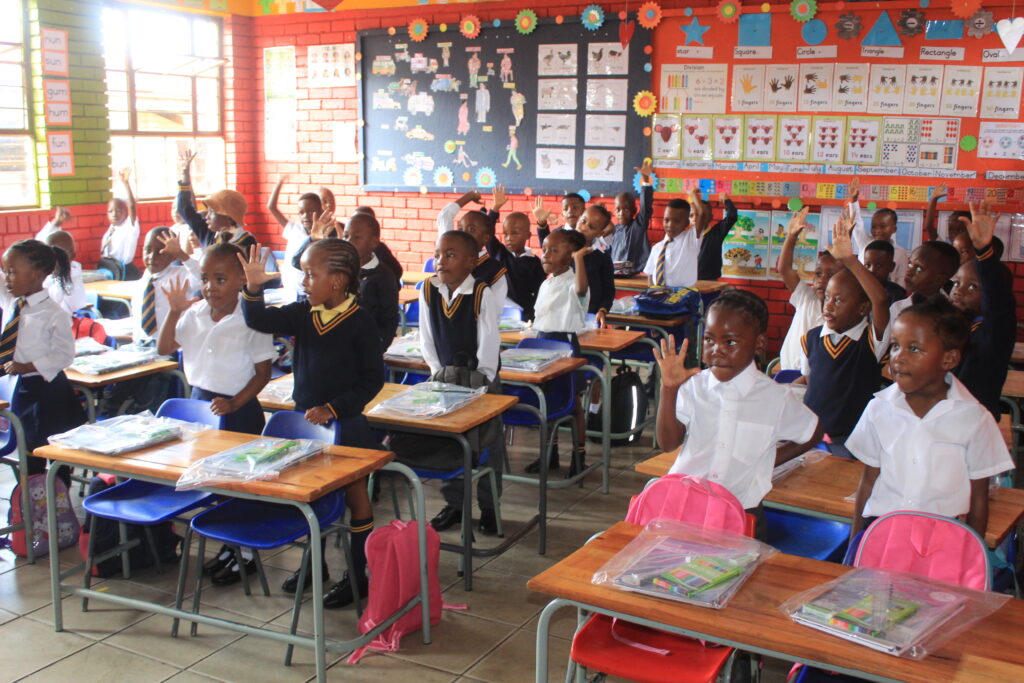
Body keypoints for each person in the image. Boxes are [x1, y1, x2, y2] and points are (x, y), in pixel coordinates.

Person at [239, 238, 384, 609]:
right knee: (309, 494)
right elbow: (258, 318)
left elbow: (372, 380)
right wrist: (253, 288)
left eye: (309, 274)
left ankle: (357, 574)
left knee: (357, 501)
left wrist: (335, 408)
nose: (304, 282)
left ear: (336, 281)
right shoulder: (305, 313)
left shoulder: (360, 322)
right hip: (305, 425)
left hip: (345, 424)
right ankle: (313, 565)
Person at [654, 290, 822, 537]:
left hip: (743, 511)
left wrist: (766, 462)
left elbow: (813, 432)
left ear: (759, 343)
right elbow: (667, 443)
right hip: (686, 507)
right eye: (710, 340)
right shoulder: (694, 387)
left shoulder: (776, 397)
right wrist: (668, 390)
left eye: (730, 342)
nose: (717, 350)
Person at [157, 242, 276, 586]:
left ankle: (247, 553)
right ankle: (230, 546)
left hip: (239, 411)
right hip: (200, 408)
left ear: (242, 279)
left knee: (239, 484)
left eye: (221, 279)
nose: (211, 287)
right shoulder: (193, 314)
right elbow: (165, 348)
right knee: (213, 484)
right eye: (206, 279)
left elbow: (263, 373)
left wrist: (235, 403)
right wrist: (175, 311)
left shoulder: (252, 318)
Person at [848, 297, 1013, 539]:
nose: (898, 358)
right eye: (895, 345)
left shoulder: (974, 418)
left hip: (943, 539)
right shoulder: (879, 409)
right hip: (883, 535)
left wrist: (972, 555)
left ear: (949, 359)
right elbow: (868, 483)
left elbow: (979, 499)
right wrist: (854, 545)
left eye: (914, 348)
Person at [411, 230, 502, 535]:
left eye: (450, 255)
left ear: (470, 262)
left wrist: (482, 384)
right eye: (438, 254)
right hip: (445, 380)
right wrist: (439, 375)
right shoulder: (428, 289)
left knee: (488, 444)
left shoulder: (480, 293)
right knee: (450, 443)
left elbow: (488, 342)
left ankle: (490, 508)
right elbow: (427, 339)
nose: (441, 261)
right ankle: (455, 504)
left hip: (481, 382)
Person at [799, 209, 891, 457]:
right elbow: (809, 382)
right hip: (810, 436)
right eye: (828, 297)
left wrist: (850, 260)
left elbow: (880, 300)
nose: (828, 304)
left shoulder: (870, 341)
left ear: (863, 308)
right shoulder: (812, 338)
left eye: (839, 300)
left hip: (851, 441)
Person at [0, 240, 86, 483]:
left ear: (37, 275)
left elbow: (64, 354)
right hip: (22, 390)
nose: (7, 277)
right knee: (29, 458)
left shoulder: (52, 313)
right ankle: (33, 507)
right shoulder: (12, 302)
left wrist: (28, 366)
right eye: (5, 271)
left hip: (47, 391)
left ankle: (61, 511)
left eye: (13, 271)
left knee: (57, 458)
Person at [101, 227, 201, 416]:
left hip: (168, 350)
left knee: (152, 386)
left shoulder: (180, 275)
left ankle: (145, 412)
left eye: (160, 251)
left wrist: (182, 254)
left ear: (172, 256)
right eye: (148, 250)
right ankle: (114, 411)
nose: (152, 256)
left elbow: (201, 278)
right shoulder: (143, 281)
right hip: (140, 348)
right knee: (116, 383)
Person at [527, 228, 591, 476]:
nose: (546, 255)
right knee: (546, 402)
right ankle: (549, 454)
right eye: (544, 250)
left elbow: (582, 289)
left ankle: (579, 457)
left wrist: (579, 259)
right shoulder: (547, 283)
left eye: (554, 250)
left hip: (564, 346)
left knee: (573, 405)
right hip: (542, 343)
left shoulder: (574, 282)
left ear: (571, 255)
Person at [951, 200, 1016, 421]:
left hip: (976, 424)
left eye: (972, 287)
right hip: (946, 420)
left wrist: (984, 253)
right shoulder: (955, 324)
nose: (959, 291)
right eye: (957, 283)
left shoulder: (993, 331)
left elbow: (997, 304)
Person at [777, 208, 838, 371]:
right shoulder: (806, 297)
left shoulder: (842, 312)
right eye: (818, 274)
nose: (822, 280)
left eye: (830, 275)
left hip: (816, 377)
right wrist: (791, 236)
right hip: (788, 370)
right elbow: (784, 269)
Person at [435, 189, 510, 316]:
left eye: (471, 229)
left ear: (486, 238)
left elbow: (494, 312)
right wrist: (468, 196)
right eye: (460, 228)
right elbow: (444, 216)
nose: (463, 233)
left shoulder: (495, 270)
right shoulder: (448, 252)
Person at [484, 185, 545, 321]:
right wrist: (495, 208)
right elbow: (486, 231)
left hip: (524, 316)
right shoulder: (499, 252)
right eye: (505, 234)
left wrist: (532, 317)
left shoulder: (535, 263)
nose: (509, 238)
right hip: (498, 314)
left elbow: (538, 293)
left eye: (515, 233)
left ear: (528, 235)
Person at [344, 212, 399, 348]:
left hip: (366, 350)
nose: (349, 241)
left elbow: (389, 320)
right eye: (346, 236)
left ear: (374, 242)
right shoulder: (339, 268)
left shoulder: (383, 276)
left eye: (357, 237)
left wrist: (375, 348)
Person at [268, 176, 321, 300]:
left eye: (311, 211)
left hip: (309, 292)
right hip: (291, 290)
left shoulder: (324, 235)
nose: (306, 216)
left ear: (320, 211)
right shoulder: (294, 228)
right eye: (301, 212)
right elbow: (271, 207)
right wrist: (279, 182)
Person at [847, 177, 907, 287]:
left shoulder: (901, 253)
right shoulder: (865, 243)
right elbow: (857, 222)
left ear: (894, 229)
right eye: (874, 227)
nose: (877, 231)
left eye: (883, 227)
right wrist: (854, 200)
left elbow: (900, 279)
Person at [889, 240, 960, 320]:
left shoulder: (951, 314)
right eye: (909, 264)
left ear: (938, 279)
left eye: (918, 269)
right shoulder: (897, 308)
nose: (909, 272)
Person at [609, 161, 654, 273]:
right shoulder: (615, 230)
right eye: (618, 209)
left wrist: (646, 181)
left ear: (634, 211)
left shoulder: (637, 227)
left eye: (626, 209)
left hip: (634, 275)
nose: (621, 213)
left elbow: (645, 207)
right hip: (616, 276)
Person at [644, 197, 698, 288]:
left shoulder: (691, 241)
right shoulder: (657, 248)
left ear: (687, 223)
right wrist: (654, 292)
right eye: (666, 220)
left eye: (676, 221)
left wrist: (694, 197)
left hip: (683, 296)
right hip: (659, 295)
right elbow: (650, 275)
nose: (670, 225)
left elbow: (702, 215)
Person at [576, 205, 616, 322]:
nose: (584, 227)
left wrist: (602, 310)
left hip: (590, 317)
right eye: (583, 221)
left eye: (591, 227)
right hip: (564, 316)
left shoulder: (602, 256)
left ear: (600, 233)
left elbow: (609, 290)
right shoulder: (564, 249)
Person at [99, 168, 140, 264]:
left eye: (119, 211)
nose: (114, 214)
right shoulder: (112, 229)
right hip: (110, 267)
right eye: (110, 211)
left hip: (124, 269)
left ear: (126, 213)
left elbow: (132, 206)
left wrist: (126, 184)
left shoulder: (129, 227)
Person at [696, 192, 738, 281]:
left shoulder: (716, 232)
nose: (697, 219)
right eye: (692, 215)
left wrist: (726, 200)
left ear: (710, 217)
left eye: (702, 215)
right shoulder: (688, 236)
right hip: (690, 280)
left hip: (710, 280)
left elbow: (732, 216)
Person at [43, 230, 86, 315]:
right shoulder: (46, 274)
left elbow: (58, 300)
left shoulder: (73, 274)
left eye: (59, 255)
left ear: (73, 255)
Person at [862, 239, 907, 307]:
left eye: (879, 265)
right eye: (867, 265)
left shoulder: (897, 296)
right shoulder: (856, 290)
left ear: (892, 267)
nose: (872, 270)